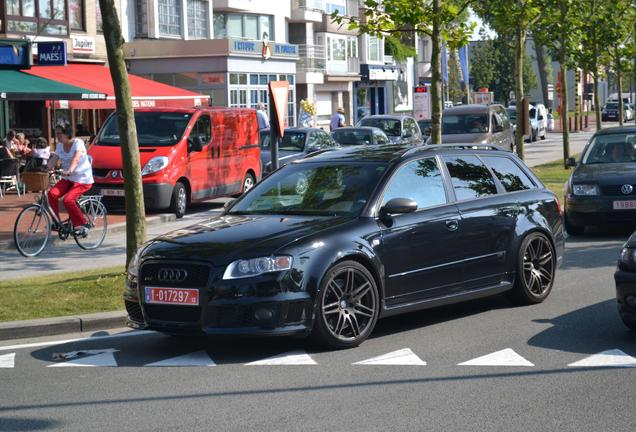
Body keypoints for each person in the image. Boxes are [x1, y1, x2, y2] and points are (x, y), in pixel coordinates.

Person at [48, 125, 94, 236]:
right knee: (52, 194)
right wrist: (44, 168)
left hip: (82, 179)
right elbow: (53, 160)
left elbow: (76, 159)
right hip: (68, 179)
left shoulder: (78, 144)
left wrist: (69, 170)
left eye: (59, 133)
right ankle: (57, 222)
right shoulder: (59, 146)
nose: (57, 136)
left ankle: (83, 224)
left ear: (67, 134)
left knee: (68, 200)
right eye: (56, 133)